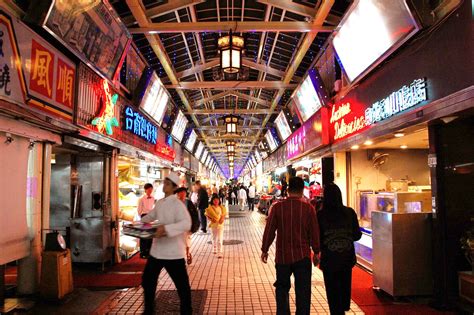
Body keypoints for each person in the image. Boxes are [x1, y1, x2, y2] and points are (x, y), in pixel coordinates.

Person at [261, 177, 320, 315]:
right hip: (303, 257)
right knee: (303, 291)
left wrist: (265, 250)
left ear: (287, 190)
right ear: (302, 190)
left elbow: (269, 230)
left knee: (282, 289)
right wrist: (316, 252)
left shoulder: (277, 208)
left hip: (282, 257)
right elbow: (314, 232)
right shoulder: (308, 209)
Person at [141, 172, 192, 315]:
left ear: (174, 187)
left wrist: (166, 229)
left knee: (182, 288)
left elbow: (187, 223)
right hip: (156, 252)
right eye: (165, 182)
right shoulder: (160, 203)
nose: (165, 185)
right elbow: (151, 215)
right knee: (147, 281)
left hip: (173, 254)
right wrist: (138, 223)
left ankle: (187, 312)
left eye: (168, 184)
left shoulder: (178, 205)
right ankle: (149, 311)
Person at [317, 183, 362, 315]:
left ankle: (336, 312)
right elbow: (357, 235)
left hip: (329, 259)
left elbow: (318, 238)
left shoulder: (321, 215)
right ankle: (342, 308)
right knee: (344, 288)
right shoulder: (349, 212)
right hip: (346, 258)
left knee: (332, 291)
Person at [175, 187, 199, 265]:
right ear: (177, 194)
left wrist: (195, 224)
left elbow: (195, 214)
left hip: (187, 225)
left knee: (186, 240)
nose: (182, 194)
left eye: (184, 192)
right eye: (180, 192)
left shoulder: (189, 203)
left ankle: (188, 254)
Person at [137, 183, 155, 258]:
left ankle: (149, 252)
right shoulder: (141, 199)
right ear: (145, 190)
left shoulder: (153, 198)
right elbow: (139, 210)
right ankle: (142, 252)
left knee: (150, 235)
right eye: (149, 189)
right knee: (144, 235)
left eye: (151, 189)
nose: (150, 190)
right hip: (144, 216)